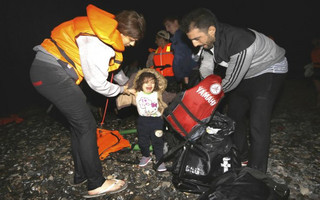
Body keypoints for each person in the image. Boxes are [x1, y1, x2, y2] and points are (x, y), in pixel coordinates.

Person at [29, 4, 146, 198]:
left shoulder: (103, 34)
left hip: (46, 70)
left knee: (78, 125)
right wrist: (120, 91)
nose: (132, 45)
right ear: (121, 32)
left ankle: (81, 175)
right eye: (131, 40)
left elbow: (113, 68)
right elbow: (97, 83)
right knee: (86, 126)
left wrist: (127, 85)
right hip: (51, 73)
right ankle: (96, 183)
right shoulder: (97, 42)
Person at [180, 8, 288, 173]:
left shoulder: (240, 41)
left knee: (258, 122)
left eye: (197, 38)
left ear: (211, 30)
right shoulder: (209, 41)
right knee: (234, 116)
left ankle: (256, 172)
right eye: (191, 40)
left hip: (270, 68)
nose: (194, 44)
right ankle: (242, 157)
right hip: (247, 73)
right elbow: (206, 67)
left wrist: (210, 99)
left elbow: (230, 81)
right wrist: (206, 89)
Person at [116, 68, 174, 172]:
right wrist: (125, 88)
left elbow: (169, 96)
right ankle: (146, 156)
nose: (149, 85)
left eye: (152, 82)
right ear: (140, 84)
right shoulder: (137, 93)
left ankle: (160, 160)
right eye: (146, 82)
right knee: (143, 141)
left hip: (156, 121)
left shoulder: (157, 93)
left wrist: (181, 95)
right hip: (143, 121)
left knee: (158, 142)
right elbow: (125, 90)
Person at [163, 16, 199, 90]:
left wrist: (184, 75)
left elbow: (184, 56)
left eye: (169, 25)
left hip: (189, 75)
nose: (167, 29)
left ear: (176, 22)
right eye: (166, 27)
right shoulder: (179, 36)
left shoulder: (181, 36)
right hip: (187, 75)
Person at [310, 38, 320, 108]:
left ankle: (318, 103)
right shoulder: (315, 51)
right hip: (317, 69)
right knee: (318, 89)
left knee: (318, 89)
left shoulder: (313, 51)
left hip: (316, 69)